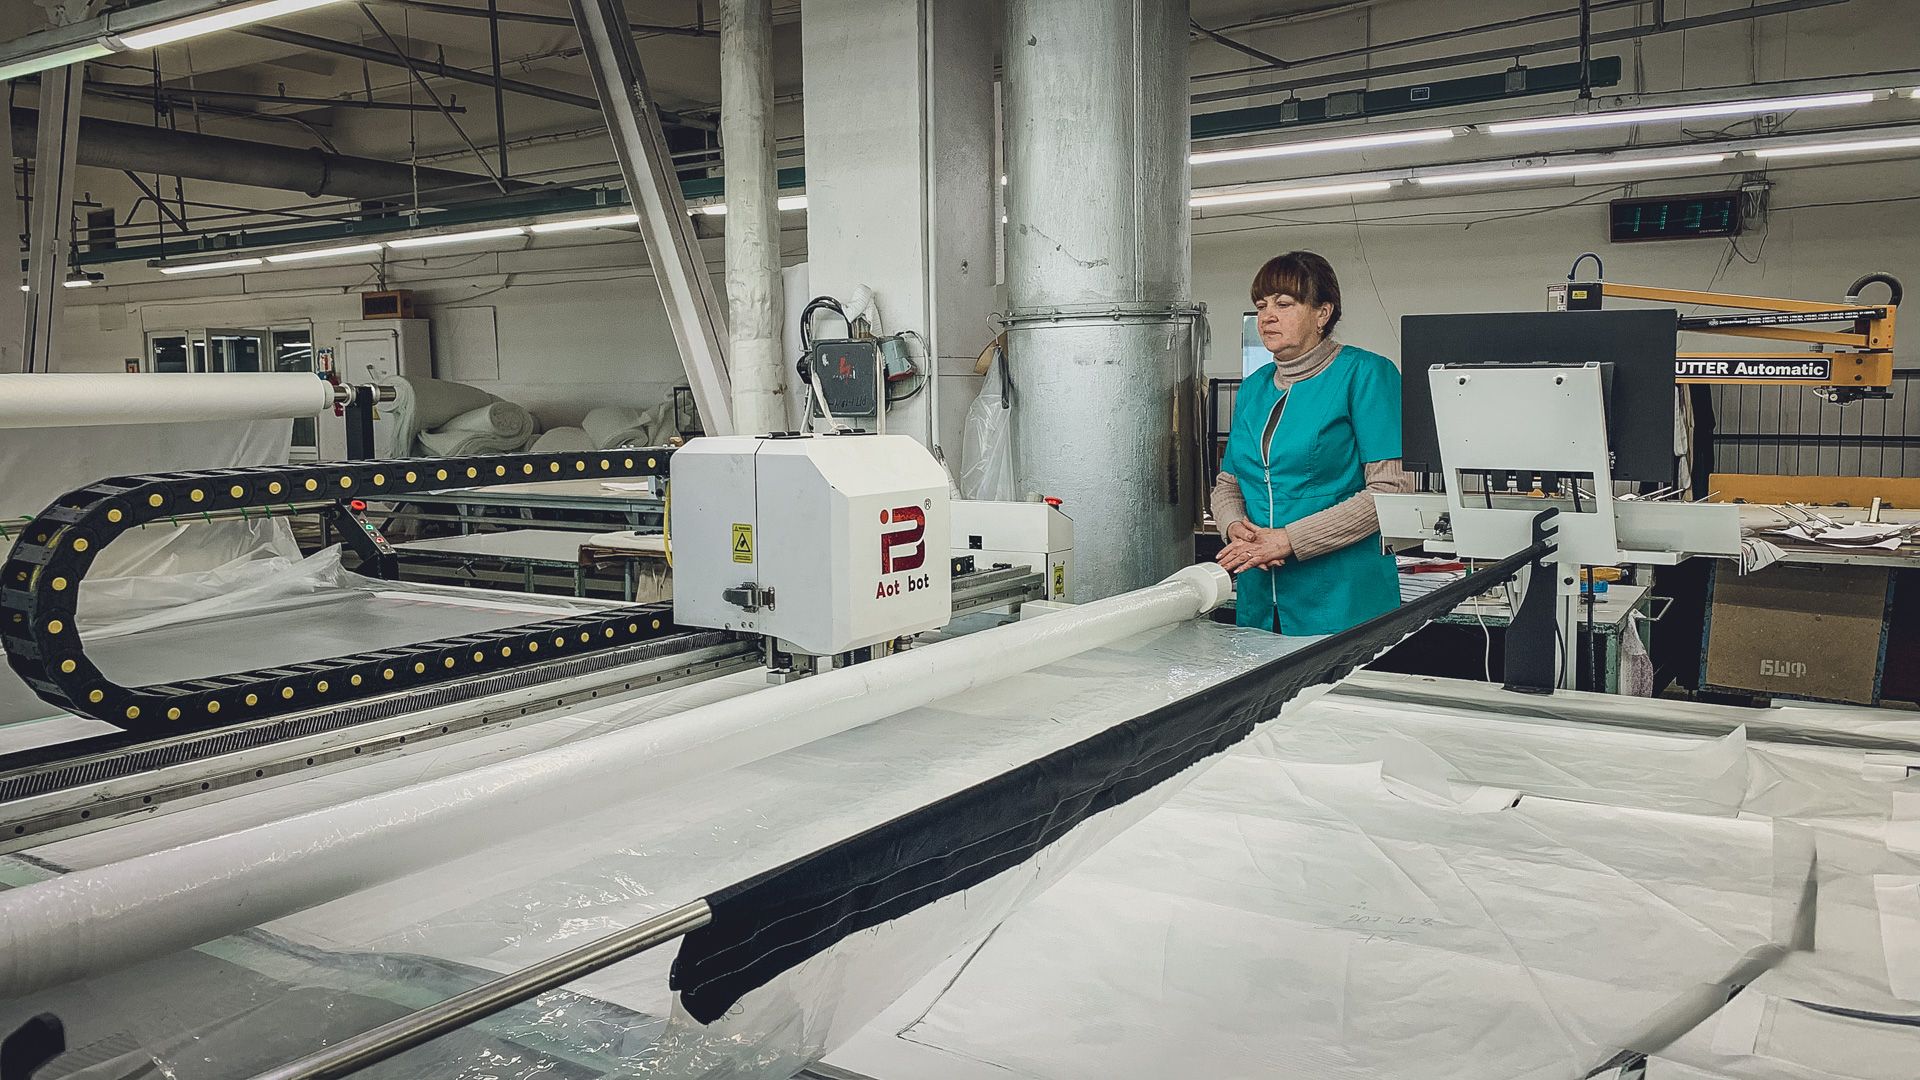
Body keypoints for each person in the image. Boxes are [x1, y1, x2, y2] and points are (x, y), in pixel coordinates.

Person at [1212, 251, 1413, 637]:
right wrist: (1234, 527)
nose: (1267, 317)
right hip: (1260, 601)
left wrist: (1288, 540)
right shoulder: (1253, 388)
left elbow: (1391, 490)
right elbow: (1229, 483)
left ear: (1323, 313)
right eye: (1261, 306)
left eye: (1284, 304)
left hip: (1342, 600)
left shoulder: (1366, 374)